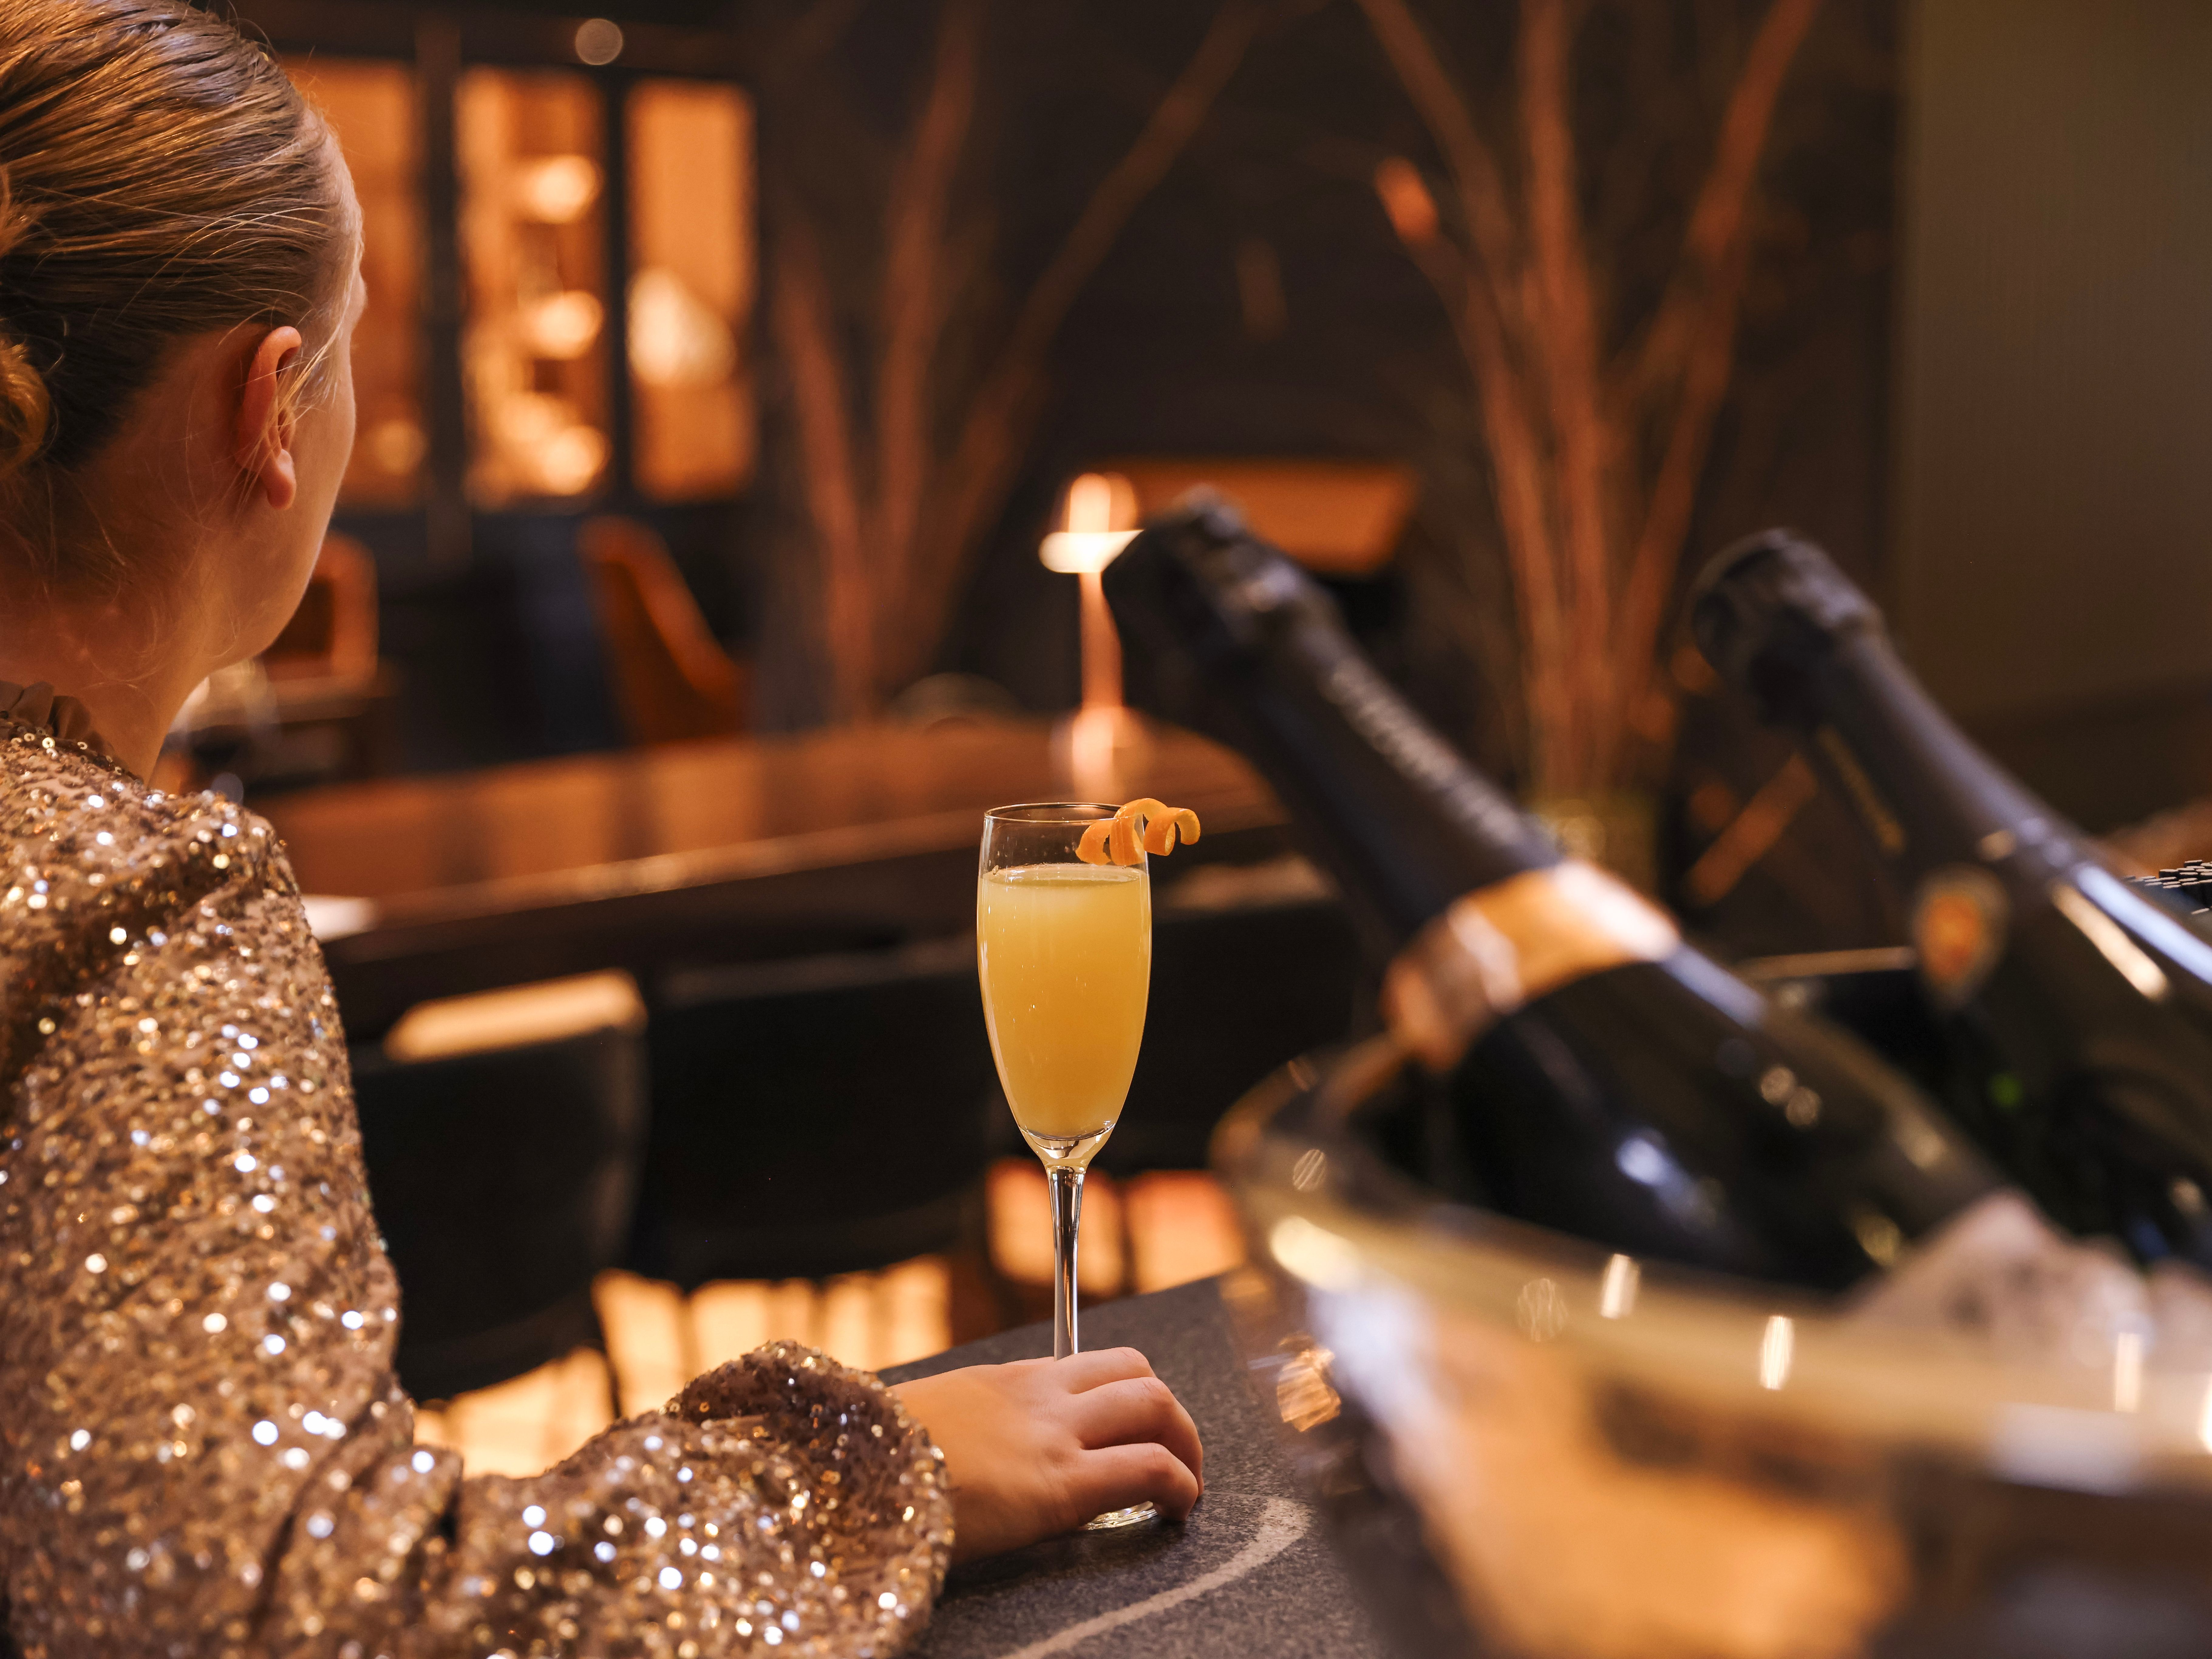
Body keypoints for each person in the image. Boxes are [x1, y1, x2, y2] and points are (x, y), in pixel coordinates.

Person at [0, 5, 1203, 1654]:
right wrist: (861, 1466)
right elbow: (288, 1606)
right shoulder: (132, 901)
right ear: (267, 407)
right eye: (356, 347)